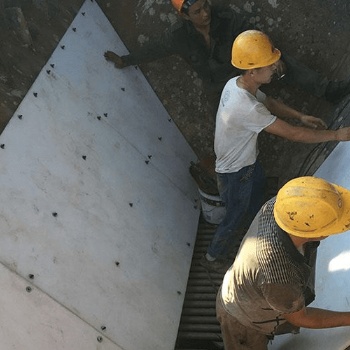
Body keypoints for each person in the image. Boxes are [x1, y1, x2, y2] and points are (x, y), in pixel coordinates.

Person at [200, 30, 350, 272]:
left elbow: (268, 102)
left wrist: (300, 115)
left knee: (257, 196)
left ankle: (258, 228)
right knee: (234, 216)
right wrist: (336, 135)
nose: (276, 68)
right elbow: (293, 134)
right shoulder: (246, 107)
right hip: (235, 174)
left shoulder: (236, 85)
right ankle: (212, 257)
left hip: (247, 164)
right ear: (252, 71)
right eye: (269, 65)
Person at [104, 0, 350, 111]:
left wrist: (271, 59)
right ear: (184, 17)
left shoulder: (225, 17)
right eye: (197, 11)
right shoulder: (178, 36)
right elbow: (154, 49)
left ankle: (329, 91)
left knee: (283, 64)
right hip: (219, 85)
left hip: (243, 68)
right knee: (230, 122)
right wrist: (126, 60)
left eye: (206, 6)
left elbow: (253, 35)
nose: (205, 14)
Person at [216, 176, 350, 349]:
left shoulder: (282, 206)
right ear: (314, 233)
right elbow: (302, 318)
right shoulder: (279, 274)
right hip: (242, 320)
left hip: (245, 287)